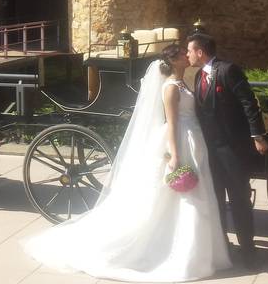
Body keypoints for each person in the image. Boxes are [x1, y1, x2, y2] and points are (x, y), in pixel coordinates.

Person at [22, 44, 232, 281]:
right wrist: (174, 156)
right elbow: (172, 124)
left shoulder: (184, 83)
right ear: (174, 61)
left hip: (194, 140)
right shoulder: (171, 88)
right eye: (183, 53)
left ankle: (196, 247)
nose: (187, 55)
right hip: (180, 141)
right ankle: (178, 248)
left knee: (195, 194)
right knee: (182, 198)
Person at [187, 32, 267, 267]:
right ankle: (223, 245)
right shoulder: (199, 76)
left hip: (233, 149)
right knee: (216, 200)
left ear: (200, 52)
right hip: (210, 151)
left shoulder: (228, 70)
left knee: (239, 198)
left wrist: (257, 135)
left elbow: (248, 101)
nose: (188, 54)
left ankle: (248, 250)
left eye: (190, 50)